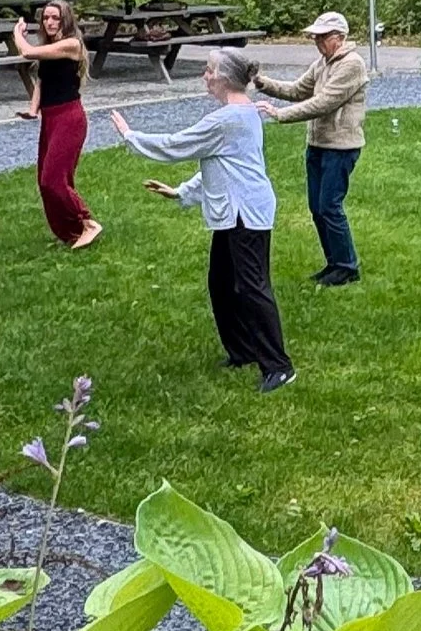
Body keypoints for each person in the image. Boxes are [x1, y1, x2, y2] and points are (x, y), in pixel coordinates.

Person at [108, 51, 295, 393]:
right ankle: (242, 351)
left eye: (208, 71)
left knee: (252, 287)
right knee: (222, 284)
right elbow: (219, 165)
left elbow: (176, 145)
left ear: (224, 78)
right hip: (235, 212)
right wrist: (181, 193)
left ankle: (279, 367)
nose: (205, 77)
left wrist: (130, 136)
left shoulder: (228, 119)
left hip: (246, 213)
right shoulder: (241, 114)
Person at [253, 11, 369, 285]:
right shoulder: (322, 63)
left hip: (340, 147)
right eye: (315, 37)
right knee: (317, 208)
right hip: (317, 144)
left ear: (339, 37)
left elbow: (324, 103)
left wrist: (281, 114)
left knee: (329, 206)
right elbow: (296, 90)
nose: (317, 41)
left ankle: (347, 267)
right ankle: (334, 264)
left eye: (322, 37)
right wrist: (261, 82)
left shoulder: (352, 65)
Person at [11, 1, 101, 249]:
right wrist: (33, 110)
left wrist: (17, 34)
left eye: (55, 18)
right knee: (45, 181)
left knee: (54, 179)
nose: (49, 22)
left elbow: (27, 53)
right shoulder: (50, 47)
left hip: (69, 118)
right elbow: (42, 81)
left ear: (65, 20)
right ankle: (71, 232)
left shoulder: (72, 44)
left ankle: (88, 223)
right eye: (46, 18)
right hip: (50, 119)